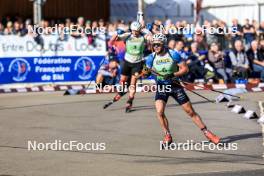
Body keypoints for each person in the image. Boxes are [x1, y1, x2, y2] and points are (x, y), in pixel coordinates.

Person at [143, 33, 221, 145]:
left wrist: (173, 74)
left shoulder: (173, 54)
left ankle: (207, 133)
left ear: (163, 44)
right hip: (162, 87)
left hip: (175, 85)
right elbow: (146, 72)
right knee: (159, 112)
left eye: (158, 45)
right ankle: (167, 135)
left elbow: (185, 69)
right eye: (153, 44)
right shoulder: (151, 57)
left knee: (190, 112)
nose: (155, 46)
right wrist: (145, 72)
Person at [107, 21, 151, 112]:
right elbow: (110, 43)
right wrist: (116, 34)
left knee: (133, 83)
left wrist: (147, 31)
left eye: (137, 31)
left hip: (137, 63)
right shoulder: (127, 35)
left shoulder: (143, 36)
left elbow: (150, 38)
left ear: (139, 30)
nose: (135, 32)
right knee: (122, 80)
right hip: (127, 62)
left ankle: (130, 101)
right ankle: (122, 91)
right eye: (133, 30)